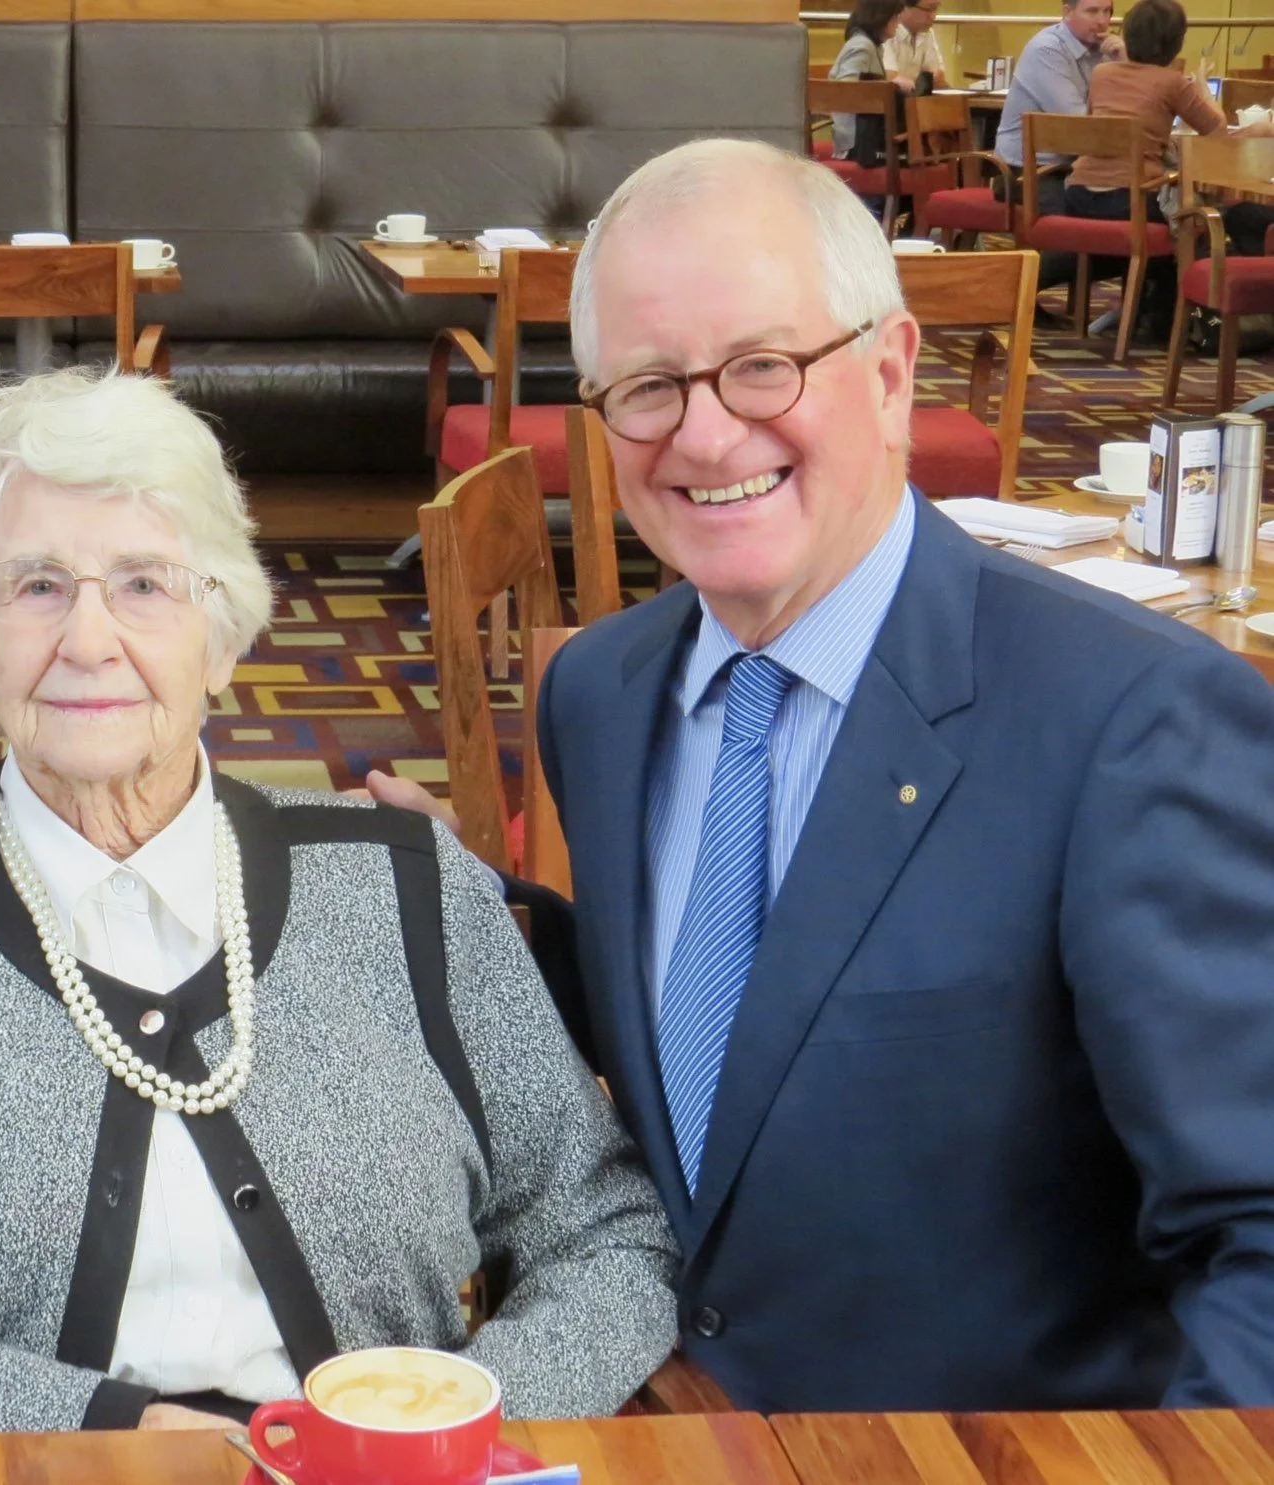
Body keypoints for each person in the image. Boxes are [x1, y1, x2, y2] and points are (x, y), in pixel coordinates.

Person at [377, 136, 1274, 1413]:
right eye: (645, 386)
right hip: (675, 1421)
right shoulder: (602, 691)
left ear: (893, 370)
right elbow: (754, 1015)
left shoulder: (1133, 722)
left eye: (761, 366)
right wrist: (482, 920)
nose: (701, 432)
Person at [0, 368, 678, 1433]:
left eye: (146, 584)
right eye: (36, 585)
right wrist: (104, 1438)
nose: (90, 641)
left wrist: (445, 1433)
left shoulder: (404, 881)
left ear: (223, 635)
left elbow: (608, 1232)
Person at [1066, 0, 1274, 334]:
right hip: (1129, 200)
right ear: (1176, 42)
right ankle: (1184, 320)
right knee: (1197, 220)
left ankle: (1149, 312)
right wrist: (1203, 90)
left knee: (1178, 213)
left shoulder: (1101, 74)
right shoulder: (1172, 82)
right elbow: (1217, 133)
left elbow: (1103, 125)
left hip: (1079, 193)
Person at [995, 0, 1120, 209]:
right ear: (1067, 12)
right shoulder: (1046, 50)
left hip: (1076, 165)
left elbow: (1129, 109)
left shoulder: (1106, 51)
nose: (1102, 21)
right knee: (1093, 210)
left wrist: (1125, 62)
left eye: (1107, 12)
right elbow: (1078, 123)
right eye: (1092, 12)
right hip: (1027, 171)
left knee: (1138, 200)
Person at [828, 0, 910, 166]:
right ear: (880, 17)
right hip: (858, 144)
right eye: (895, 17)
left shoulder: (870, 45)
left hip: (864, 138)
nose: (898, 23)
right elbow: (845, 90)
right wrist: (891, 84)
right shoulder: (861, 46)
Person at [882, 0, 950, 91]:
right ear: (904, 7)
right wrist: (925, 81)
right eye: (929, 9)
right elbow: (890, 78)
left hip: (916, 101)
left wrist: (913, 80)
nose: (933, 16)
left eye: (936, 8)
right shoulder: (887, 30)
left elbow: (939, 77)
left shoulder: (927, 32)